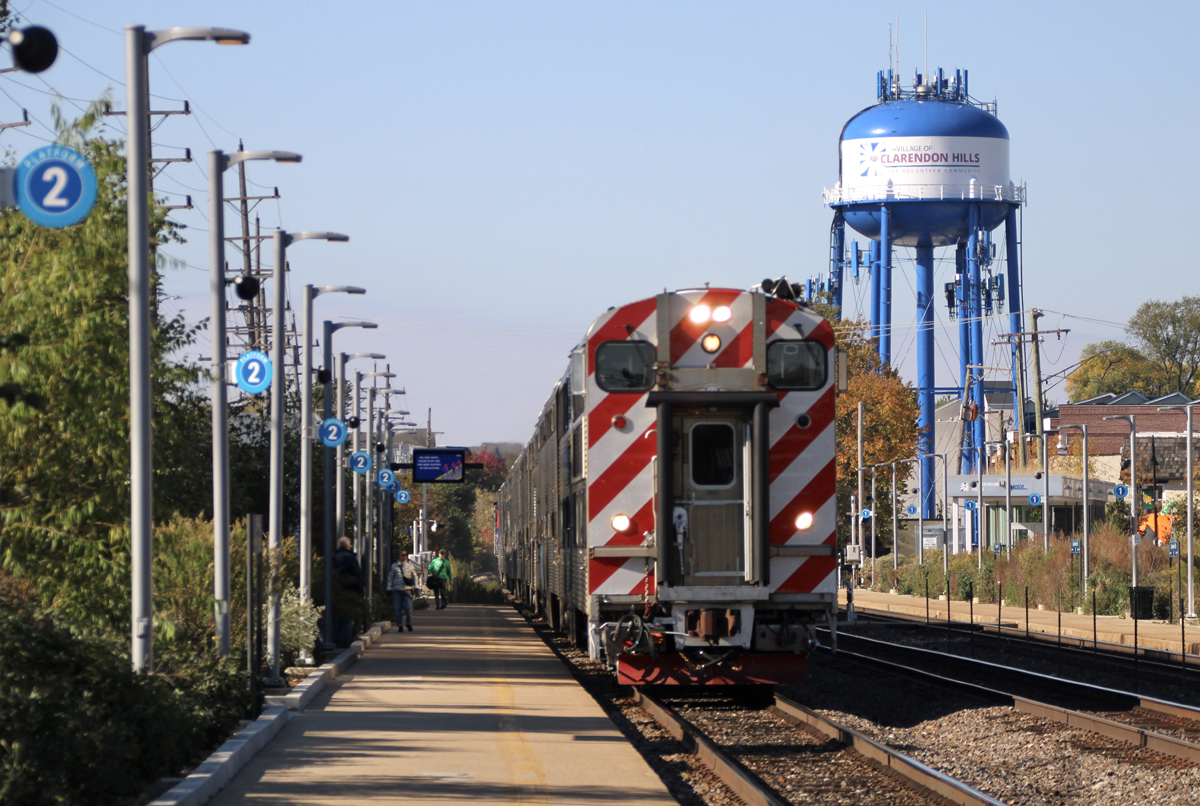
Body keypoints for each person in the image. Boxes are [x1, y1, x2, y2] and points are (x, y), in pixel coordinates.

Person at [331, 536, 363, 648]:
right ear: (349, 546)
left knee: (337, 619)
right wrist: (359, 593)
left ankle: (335, 642)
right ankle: (344, 644)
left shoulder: (333, 558)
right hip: (350, 592)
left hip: (336, 593)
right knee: (348, 619)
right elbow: (357, 576)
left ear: (338, 546)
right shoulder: (351, 558)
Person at [386, 549, 420, 631]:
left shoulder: (410, 566)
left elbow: (415, 577)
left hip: (407, 590)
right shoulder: (394, 566)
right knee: (398, 608)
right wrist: (389, 589)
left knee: (408, 608)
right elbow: (390, 578)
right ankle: (399, 625)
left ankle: (408, 623)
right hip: (397, 590)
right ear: (398, 556)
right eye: (402, 555)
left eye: (405, 555)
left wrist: (416, 588)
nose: (404, 556)